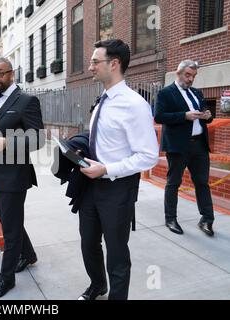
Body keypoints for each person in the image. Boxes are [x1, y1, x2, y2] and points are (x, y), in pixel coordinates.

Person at [78, 39, 159, 300]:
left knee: (116, 251)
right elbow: (102, 139)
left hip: (117, 189)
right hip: (90, 184)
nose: (90, 66)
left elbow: (148, 156)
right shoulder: (103, 99)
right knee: (88, 242)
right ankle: (97, 285)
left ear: (114, 64)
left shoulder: (134, 105)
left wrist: (107, 169)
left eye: (95, 61)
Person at [0, 56, 45, 299]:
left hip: (14, 177)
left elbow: (38, 138)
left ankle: (6, 280)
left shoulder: (26, 101)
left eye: (0, 74)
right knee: (11, 223)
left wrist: (7, 142)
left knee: (9, 230)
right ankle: (28, 255)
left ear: (11, 74)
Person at [154, 60, 214, 236]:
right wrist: (184, 116)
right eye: (188, 75)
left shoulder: (197, 93)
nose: (190, 79)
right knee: (173, 183)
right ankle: (170, 219)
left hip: (199, 146)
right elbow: (159, 116)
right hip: (178, 146)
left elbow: (204, 116)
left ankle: (207, 220)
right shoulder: (166, 93)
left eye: (193, 76)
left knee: (202, 183)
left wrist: (208, 116)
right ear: (178, 73)